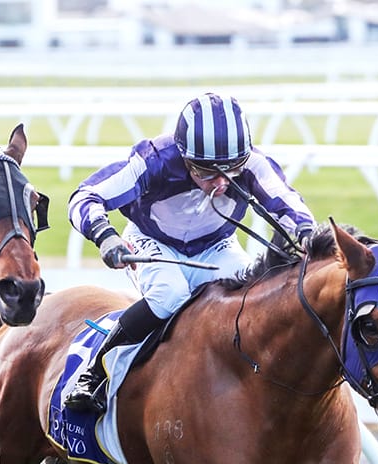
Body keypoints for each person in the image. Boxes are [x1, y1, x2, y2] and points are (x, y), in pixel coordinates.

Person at [64, 92, 316, 412]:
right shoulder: (154, 161)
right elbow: (84, 197)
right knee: (170, 294)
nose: (221, 184)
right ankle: (95, 371)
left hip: (216, 245)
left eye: (232, 170)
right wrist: (106, 237)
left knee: (248, 302)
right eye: (207, 172)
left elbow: (287, 202)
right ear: (184, 157)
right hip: (152, 242)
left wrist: (306, 233)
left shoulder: (253, 164)